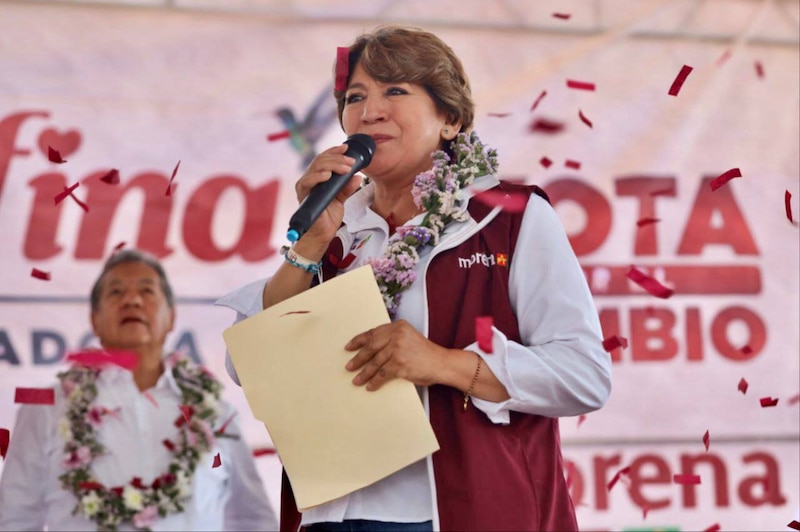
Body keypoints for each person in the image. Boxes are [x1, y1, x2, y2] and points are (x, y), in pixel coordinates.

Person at [217, 25, 612, 532]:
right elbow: (247, 365)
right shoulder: (336, 230)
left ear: (449, 119)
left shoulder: (508, 218)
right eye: (355, 97)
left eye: (395, 91)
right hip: (332, 514)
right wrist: (309, 246)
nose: (369, 111)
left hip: (459, 512)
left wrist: (443, 364)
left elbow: (584, 375)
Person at [0, 249, 278, 531]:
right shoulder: (46, 410)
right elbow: (14, 519)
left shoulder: (215, 414)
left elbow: (252, 520)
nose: (132, 300)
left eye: (146, 291)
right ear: (95, 319)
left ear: (170, 317)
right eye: (116, 292)